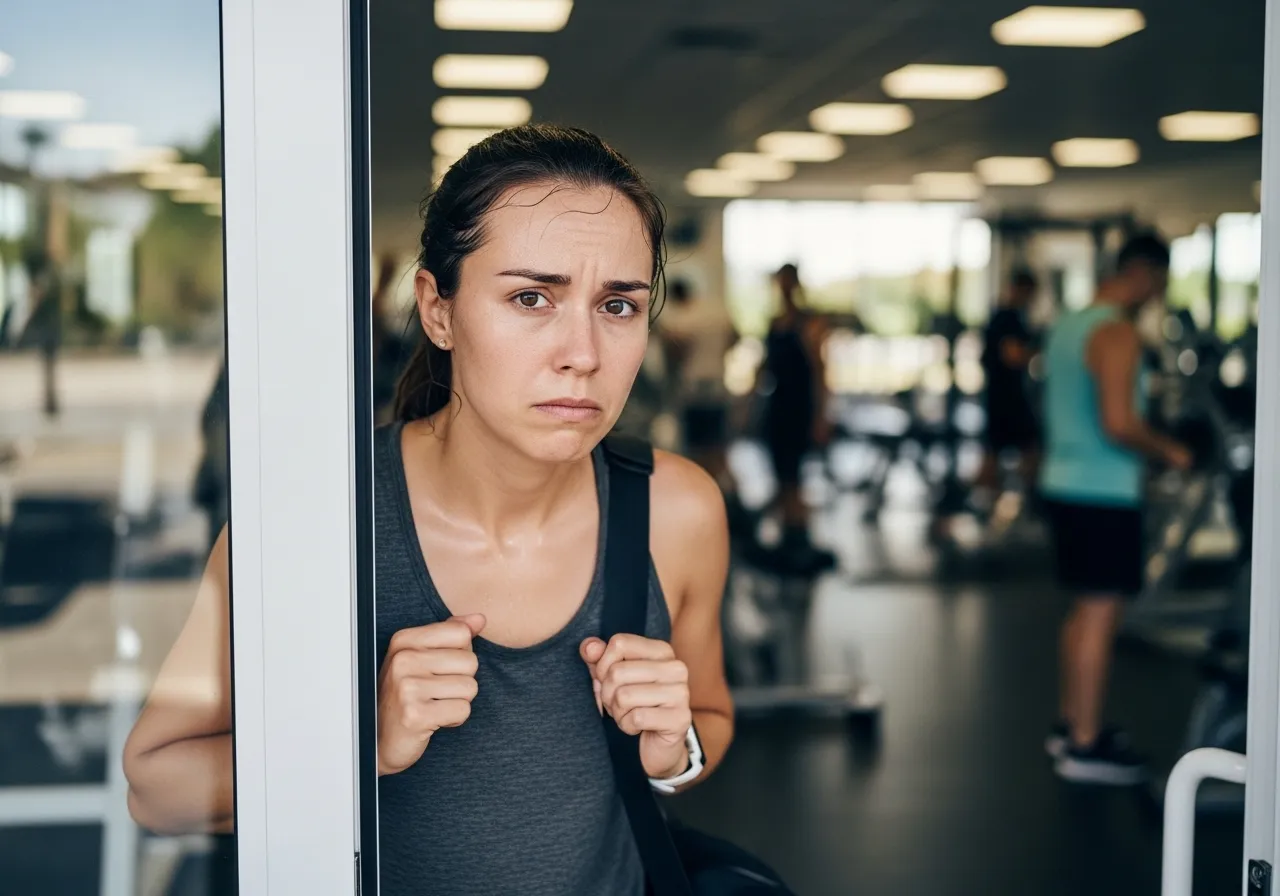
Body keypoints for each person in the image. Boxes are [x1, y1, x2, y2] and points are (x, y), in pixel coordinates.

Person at [122, 124, 735, 896]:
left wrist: (671, 751)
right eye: (530, 297)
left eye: (617, 305)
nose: (582, 351)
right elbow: (156, 784)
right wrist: (363, 745)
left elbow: (708, 713)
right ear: (437, 309)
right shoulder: (314, 517)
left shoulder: (676, 510)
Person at [1040, 232, 1191, 784]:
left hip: (1063, 483)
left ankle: (1070, 725)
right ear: (1145, 273)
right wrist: (1170, 451)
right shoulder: (1118, 331)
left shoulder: (1068, 324)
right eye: (1160, 282)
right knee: (1102, 613)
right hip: (1103, 490)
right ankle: (1084, 744)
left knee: (1084, 610)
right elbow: (1120, 422)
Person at [753, 263, 835, 574]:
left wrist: (822, 416)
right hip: (777, 405)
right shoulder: (775, 322)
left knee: (794, 476)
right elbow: (763, 370)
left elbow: (820, 372)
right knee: (782, 474)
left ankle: (800, 536)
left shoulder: (809, 323)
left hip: (800, 407)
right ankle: (789, 533)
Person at [658, 278, 741, 503]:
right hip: (717, 385)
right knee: (718, 447)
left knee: (697, 451)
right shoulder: (716, 313)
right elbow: (736, 337)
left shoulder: (682, 320)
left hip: (695, 389)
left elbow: (674, 355)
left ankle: (711, 500)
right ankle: (728, 500)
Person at [976, 268, 1040, 504]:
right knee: (1015, 451)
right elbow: (1012, 356)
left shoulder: (1003, 316)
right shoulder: (1007, 318)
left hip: (1002, 394)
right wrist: (1038, 351)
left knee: (997, 451)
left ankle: (991, 501)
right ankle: (993, 501)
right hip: (1005, 397)